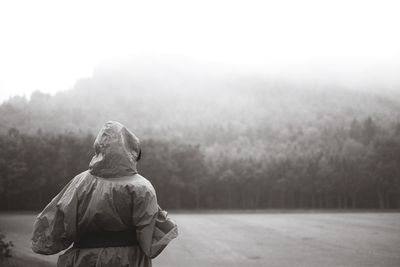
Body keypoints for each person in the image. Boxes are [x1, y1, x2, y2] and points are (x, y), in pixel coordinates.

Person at [31, 121, 178, 267]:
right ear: (132, 150)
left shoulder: (79, 183)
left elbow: (51, 230)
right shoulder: (142, 187)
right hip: (127, 260)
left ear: (99, 147)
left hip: (83, 260)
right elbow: (148, 246)